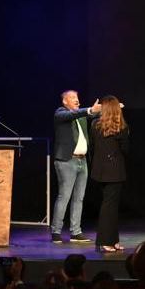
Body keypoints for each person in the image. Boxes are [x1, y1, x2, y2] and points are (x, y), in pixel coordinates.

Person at [52, 89, 103, 244]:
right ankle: (56, 231)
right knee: (64, 196)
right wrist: (89, 110)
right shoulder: (60, 113)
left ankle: (76, 232)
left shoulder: (80, 116)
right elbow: (76, 114)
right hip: (67, 161)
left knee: (79, 198)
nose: (76, 99)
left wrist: (110, 107)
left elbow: (95, 114)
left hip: (82, 161)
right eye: (72, 97)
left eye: (77, 97)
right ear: (65, 101)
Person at [90, 96, 130, 253]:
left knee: (110, 206)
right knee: (109, 207)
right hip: (113, 172)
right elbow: (126, 149)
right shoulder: (121, 127)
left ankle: (113, 240)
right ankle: (105, 241)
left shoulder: (95, 125)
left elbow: (92, 146)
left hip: (100, 171)